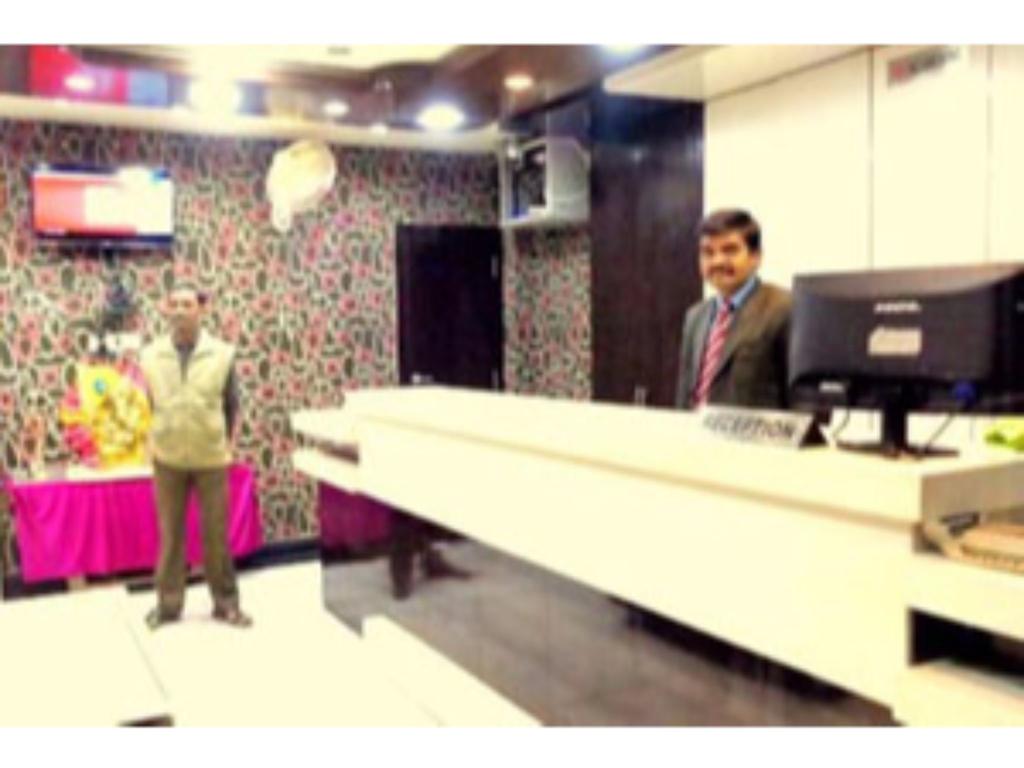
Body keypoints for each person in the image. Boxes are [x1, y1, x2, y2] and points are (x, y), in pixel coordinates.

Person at [140, 280, 251, 629]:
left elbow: (232, 406)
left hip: (211, 459)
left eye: (187, 305)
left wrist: (228, 445)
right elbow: (148, 404)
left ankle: (226, 604)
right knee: (170, 537)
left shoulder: (222, 354)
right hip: (168, 459)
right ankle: (168, 606)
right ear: (165, 309)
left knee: (216, 536)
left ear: (201, 309)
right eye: (174, 304)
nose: (179, 311)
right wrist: (154, 441)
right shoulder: (151, 355)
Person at [675, 208, 791, 411]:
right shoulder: (695, 316)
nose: (717, 261)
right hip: (695, 430)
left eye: (729, 250)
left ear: (756, 257)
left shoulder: (784, 308)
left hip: (755, 432)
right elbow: (685, 396)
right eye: (708, 252)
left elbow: (801, 398)